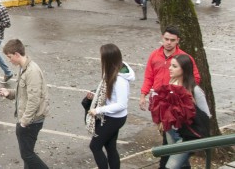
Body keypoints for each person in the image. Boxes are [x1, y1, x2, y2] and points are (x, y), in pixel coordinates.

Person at [139, 26, 201, 169]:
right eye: (166, 39)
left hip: (176, 108)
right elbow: (149, 76)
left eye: (172, 40)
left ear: (177, 41)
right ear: (162, 38)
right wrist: (143, 95)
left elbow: (195, 77)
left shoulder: (184, 58)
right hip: (160, 105)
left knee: (172, 141)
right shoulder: (154, 55)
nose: (168, 43)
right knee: (169, 139)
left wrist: (180, 92)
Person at [0, 39, 49, 169]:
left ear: (17, 54)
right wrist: (9, 93)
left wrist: (24, 122)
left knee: (27, 155)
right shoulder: (23, 69)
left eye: (9, 57)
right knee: (27, 155)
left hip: (31, 121)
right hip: (28, 119)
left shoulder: (32, 72)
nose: (9, 60)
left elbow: (34, 100)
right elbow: (23, 93)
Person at [86, 44, 135, 169]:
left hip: (114, 118)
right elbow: (107, 93)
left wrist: (98, 110)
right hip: (111, 116)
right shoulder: (111, 73)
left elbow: (121, 104)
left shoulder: (120, 80)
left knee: (95, 146)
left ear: (108, 60)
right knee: (110, 146)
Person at [163, 54, 211, 169]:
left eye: (174, 66)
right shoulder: (171, 84)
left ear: (184, 69)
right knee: (183, 165)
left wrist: (191, 106)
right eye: (170, 65)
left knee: (171, 166)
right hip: (171, 132)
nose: (170, 68)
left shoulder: (195, 90)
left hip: (186, 137)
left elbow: (206, 116)